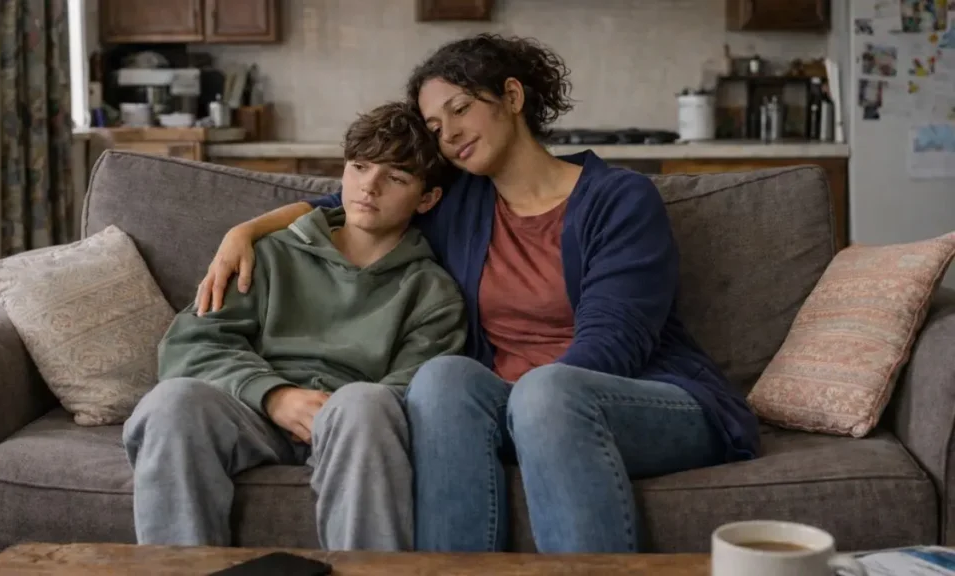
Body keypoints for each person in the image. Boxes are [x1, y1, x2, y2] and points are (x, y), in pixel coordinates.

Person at [194, 34, 762, 554]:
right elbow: (352, 204)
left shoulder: (619, 199)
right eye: (435, 127)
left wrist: (522, 412)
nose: (450, 134)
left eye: (460, 109)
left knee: (548, 394)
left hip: (643, 399)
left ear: (511, 96)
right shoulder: (458, 204)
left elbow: (617, 343)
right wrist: (245, 232)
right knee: (442, 378)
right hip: (523, 405)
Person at [122, 101, 467, 552]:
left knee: (365, 404)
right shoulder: (269, 253)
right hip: (253, 412)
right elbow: (192, 342)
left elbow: (416, 386)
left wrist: (331, 411)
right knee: (172, 402)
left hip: (352, 424)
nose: (370, 186)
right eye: (360, 167)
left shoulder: (432, 291)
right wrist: (274, 396)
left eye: (396, 177)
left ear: (427, 199)